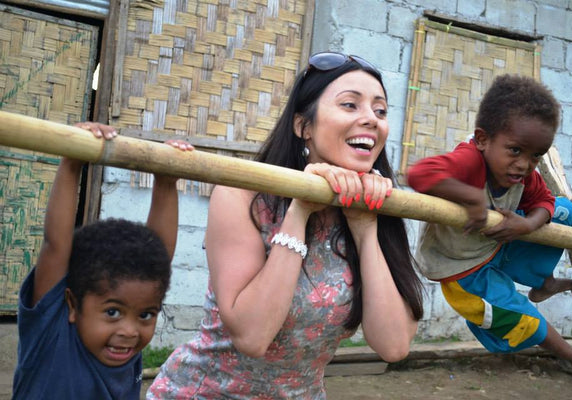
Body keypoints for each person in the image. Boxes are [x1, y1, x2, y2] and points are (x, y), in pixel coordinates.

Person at [147, 52, 424, 398]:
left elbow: (393, 346)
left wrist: (365, 229)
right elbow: (252, 336)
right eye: (350, 105)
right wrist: (299, 211)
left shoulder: (374, 205)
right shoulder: (243, 196)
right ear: (303, 126)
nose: (371, 119)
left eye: (380, 111)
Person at [407, 74, 572, 378]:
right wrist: (470, 196)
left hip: (498, 244)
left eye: (536, 155)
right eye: (515, 150)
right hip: (463, 270)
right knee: (522, 319)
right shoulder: (468, 160)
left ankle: (544, 282)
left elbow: (545, 202)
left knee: (566, 213)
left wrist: (526, 225)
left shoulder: (525, 175)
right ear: (483, 139)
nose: (524, 164)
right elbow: (418, 174)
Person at [11, 122, 194, 399]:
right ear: (72, 305)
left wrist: (166, 182)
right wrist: (71, 160)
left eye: (146, 315)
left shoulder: (122, 349)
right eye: (112, 312)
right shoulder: (54, 332)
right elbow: (56, 245)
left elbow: (159, 259)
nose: (131, 331)